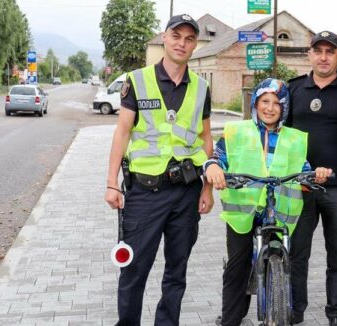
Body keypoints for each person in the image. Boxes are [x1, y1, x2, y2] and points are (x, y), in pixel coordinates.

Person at [103, 14, 215, 326]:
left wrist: (206, 188)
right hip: (145, 193)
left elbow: (206, 139)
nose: (182, 43)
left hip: (187, 193)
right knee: (134, 271)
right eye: (176, 36)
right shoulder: (136, 81)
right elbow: (122, 132)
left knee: (176, 273)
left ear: (195, 44)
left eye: (189, 38)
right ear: (163, 38)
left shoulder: (202, 87)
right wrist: (111, 183)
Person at [205, 78, 332, 326]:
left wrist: (318, 174)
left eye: (277, 103)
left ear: (284, 108)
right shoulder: (237, 132)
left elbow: (303, 171)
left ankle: (281, 305)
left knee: (289, 260)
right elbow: (217, 156)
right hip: (243, 211)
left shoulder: (294, 139)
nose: (270, 108)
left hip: (279, 211)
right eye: (265, 101)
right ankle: (232, 318)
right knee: (238, 264)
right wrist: (213, 168)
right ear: (255, 103)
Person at [286, 31, 337, 326]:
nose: (323, 56)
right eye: (318, 51)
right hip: (301, 186)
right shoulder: (293, 90)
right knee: (297, 253)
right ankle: (296, 309)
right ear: (309, 55)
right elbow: (278, 136)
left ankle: (335, 313)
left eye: (330, 51)